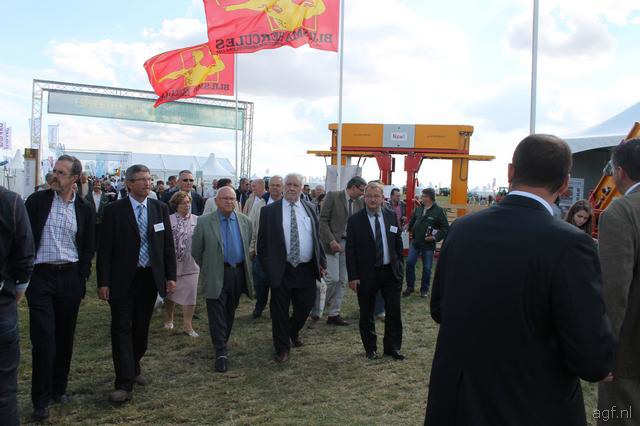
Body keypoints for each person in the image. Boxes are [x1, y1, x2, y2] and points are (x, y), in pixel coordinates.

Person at [425, 134, 615, 425]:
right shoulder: (571, 243)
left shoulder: (462, 229)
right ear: (565, 184)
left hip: (459, 402)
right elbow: (591, 356)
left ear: (511, 172)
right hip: (532, 404)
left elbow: (440, 308)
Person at [97, 164, 176, 403]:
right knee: (121, 328)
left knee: (141, 329)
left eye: (149, 179)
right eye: (142, 179)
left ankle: (134, 365)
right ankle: (123, 383)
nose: (147, 183)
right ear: (129, 183)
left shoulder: (159, 208)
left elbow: (167, 245)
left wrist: (170, 276)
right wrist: (103, 281)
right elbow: (105, 249)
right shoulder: (114, 210)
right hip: (122, 279)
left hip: (149, 277)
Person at [24, 155, 95, 421]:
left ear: (75, 178)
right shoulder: (37, 202)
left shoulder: (84, 208)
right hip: (41, 277)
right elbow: (24, 237)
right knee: (44, 339)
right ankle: (40, 400)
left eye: (61, 173)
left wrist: (82, 275)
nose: (55, 176)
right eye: (54, 171)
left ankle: (58, 389)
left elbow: (88, 245)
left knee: (65, 336)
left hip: (69, 277)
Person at [257, 173, 326, 363]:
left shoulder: (310, 208)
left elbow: (317, 237)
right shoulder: (269, 211)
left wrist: (321, 262)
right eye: (288, 184)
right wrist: (268, 268)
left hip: (306, 269)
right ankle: (282, 348)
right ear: (283, 186)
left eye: (296, 185)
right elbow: (262, 244)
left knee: (305, 306)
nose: (292, 188)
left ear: (302, 188)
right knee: (279, 311)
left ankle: (292, 332)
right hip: (281, 269)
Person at [597, 139, 640, 425]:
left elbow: (613, 290)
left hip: (630, 352)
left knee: (617, 416)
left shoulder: (621, 212)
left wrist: (602, 349)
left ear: (620, 172)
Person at [192, 186, 254, 372]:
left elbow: (246, 245)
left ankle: (222, 341)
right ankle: (221, 351)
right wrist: (209, 266)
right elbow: (196, 251)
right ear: (216, 201)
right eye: (225, 198)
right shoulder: (204, 221)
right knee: (216, 312)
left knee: (230, 310)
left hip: (237, 273)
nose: (229, 201)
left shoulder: (245, 221)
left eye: (232, 198)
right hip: (215, 272)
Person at [346, 182, 405, 361]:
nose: (373, 199)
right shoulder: (355, 220)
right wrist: (353, 276)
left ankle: (392, 347)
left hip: (390, 272)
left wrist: (399, 266)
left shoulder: (390, 215)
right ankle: (370, 348)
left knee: (393, 311)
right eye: (369, 196)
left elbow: (397, 242)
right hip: (366, 274)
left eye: (376, 196)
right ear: (364, 197)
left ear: (382, 198)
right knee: (367, 313)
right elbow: (350, 251)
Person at [0, 186, 35, 425]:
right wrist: (17, 290)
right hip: (3, 302)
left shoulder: (10, 201)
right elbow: (24, 256)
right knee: (4, 388)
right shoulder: (9, 201)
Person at [315, 176, 366, 325]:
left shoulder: (360, 203)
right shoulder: (333, 196)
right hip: (331, 244)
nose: (362, 193)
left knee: (343, 280)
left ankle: (334, 314)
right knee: (333, 278)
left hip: (348, 245)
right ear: (353, 187)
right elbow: (323, 221)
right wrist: (331, 240)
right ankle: (316, 307)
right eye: (361, 190)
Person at [164, 191, 200, 337]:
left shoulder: (197, 220)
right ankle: (169, 318)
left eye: (188, 202)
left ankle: (187, 326)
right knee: (170, 293)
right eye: (183, 203)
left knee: (191, 294)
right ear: (176, 205)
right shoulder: (169, 220)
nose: (187, 205)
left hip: (191, 264)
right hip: (172, 264)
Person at [403, 188, 449, 298]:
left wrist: (435, 237)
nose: (421, 198)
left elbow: (445, 228)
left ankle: (424, 290)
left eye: (423, 196)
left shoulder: (439, 211)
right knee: (409, 263)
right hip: (415, 242)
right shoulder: (419, 209)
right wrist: (408, 226)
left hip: (428, 246)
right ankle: (410, 287)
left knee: (427, 268)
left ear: (429, 197)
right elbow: (412, 221)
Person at [248, 175, 283, 318]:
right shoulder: (260, 205)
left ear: (282, 187)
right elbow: (252, 227)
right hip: (262, 251)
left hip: (281, 253)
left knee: (278, 284)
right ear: (268, 187)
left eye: (278, 185)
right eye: (272, 185)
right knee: (260, 283)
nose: (275, 188)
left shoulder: (287, 205)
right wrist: (252, 248)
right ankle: (259, 306)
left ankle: (276, 308)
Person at [85, 180, 110, 249]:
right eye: (95, 185)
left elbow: (107, 208)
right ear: (93, 186)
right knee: (91, 235)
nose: (97, 186)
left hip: (101, 220)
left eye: (98, 185)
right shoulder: (88, 196)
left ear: (101, 186)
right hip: (91, 220)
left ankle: (98, 248)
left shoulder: (104, 196)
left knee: (100, 235)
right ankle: (91, 248)